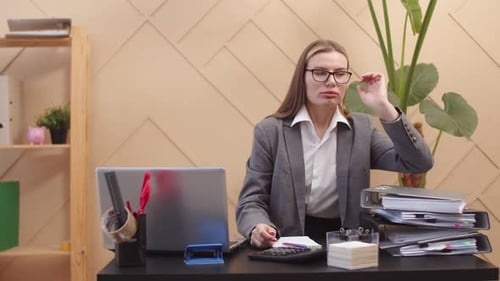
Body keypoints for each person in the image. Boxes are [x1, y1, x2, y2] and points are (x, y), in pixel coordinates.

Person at [235, 39, 433, 249]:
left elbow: (418, 163)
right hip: (288, 244)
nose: (331, 82)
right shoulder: (270, 132)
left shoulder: (362, 130)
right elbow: (251, 200)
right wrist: (258, 226)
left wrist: (384, 107)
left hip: (349, 245)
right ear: (302, 78)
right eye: (320, 72)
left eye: (340, 74)